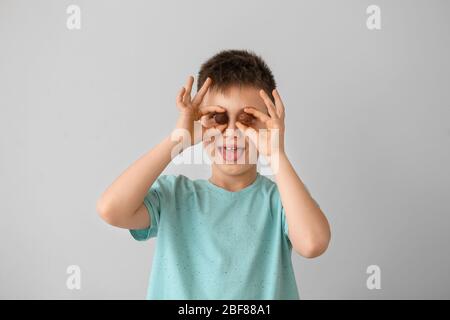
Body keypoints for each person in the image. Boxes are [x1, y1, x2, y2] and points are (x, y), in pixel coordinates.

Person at [97, 49, 331, 299]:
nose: (231, 132)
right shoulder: (173, 197)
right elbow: (112, 210)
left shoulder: (282, 201)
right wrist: (178, 139)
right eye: (218, 118)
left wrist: (276, 155)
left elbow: (312, 243)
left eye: (247, 119)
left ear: (267, 122)